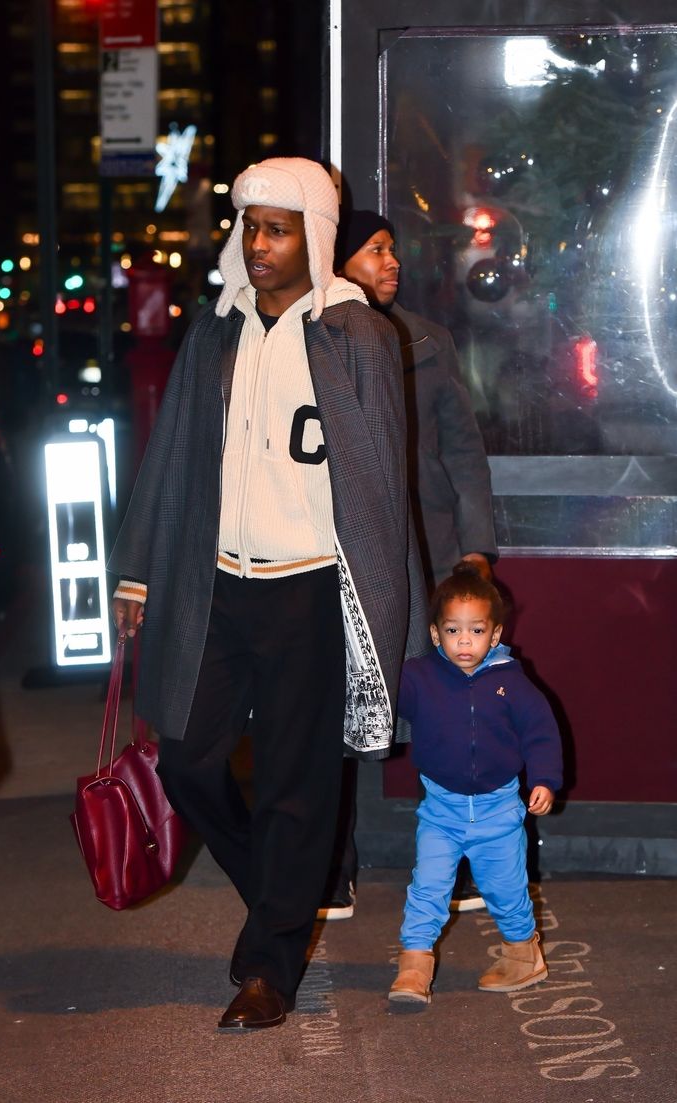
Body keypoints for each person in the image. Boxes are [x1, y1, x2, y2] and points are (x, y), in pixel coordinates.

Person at [108, 158, 429, 1033]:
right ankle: (283, 893)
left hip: (310, 591)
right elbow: (171, 455)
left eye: (277, 229)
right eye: (250, 226)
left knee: (295, 782)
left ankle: (268, 967)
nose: (258, 244)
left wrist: (389, 601)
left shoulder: (355, 334)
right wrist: (139, 568)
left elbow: (380, 481)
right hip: (214, 585)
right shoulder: (215, 332)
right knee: (185, 759)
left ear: (313, 238)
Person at [318, 210, 498, 920]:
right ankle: (331, 867)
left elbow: (463, 452)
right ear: (338, 262)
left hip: (430, 548)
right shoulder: (312, 337)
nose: (391, 262)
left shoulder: (426, 338)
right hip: (349, 552)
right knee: (333, 706)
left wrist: (474, 549)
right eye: (375, 250)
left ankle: (461, 864)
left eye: (393, 250)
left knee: (450, 711)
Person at [387, 562, 562, 1008]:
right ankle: (413, 967)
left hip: (499, 812)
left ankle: (523, 957)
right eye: (453, 630)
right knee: (427, 888)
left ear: (495, 634)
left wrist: (544, 779)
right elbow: (383, 698)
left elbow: (540, 733)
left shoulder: (512, 682)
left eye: (476, 631)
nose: (464, 642)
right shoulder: (418, 677)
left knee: (507, 892)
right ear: (435, 634)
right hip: (440, 812)